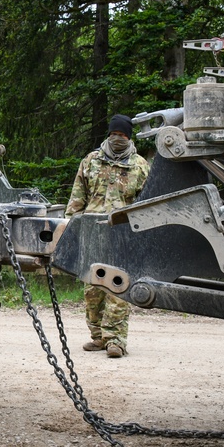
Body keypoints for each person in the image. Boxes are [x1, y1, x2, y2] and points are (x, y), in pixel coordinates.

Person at [65, 114, 150, 359]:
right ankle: (98, 336)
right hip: (92, 233)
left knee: (118, 287)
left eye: (122, 136)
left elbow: (146, 205)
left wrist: (142, 236)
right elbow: (77, 198)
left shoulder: (140, 166)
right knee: (92, 289)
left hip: (123, 235)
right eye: (115, 135)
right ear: (109, 134)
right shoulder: (90, 161)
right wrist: (71, 232)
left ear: (129, 137)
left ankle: (115, 340)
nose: (118, 139)